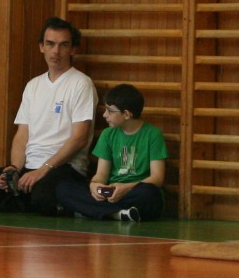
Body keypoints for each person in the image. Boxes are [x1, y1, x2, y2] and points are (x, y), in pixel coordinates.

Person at [0, 18, 97, 216]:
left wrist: (43, 170)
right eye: (50, 44)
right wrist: (14, 168)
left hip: (64, 167)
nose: (56, 51)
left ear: (72, 49)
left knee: (41, 199)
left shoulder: (81, 84)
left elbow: (79, 138)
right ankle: (20, 202)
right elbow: (22, 134)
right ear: (41, 47)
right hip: (28, 166)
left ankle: (22, 203)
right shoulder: (33, 86)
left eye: (63, 45)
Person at [55, 84, 168, 222]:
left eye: (110, 111)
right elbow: (102, 174)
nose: (105, 115)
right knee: (64, 188)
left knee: (150, 193)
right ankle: (117, 213)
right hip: (111, 193)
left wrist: (126, 188)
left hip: (134, 191)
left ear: (126, 114)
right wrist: (95, 185)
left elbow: (157, 178)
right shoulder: (108, 134)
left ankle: (96, 211)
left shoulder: (153, 134)